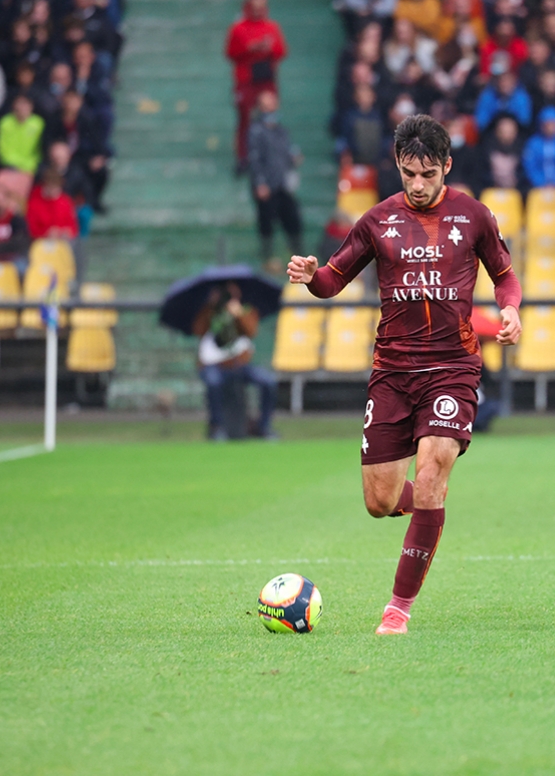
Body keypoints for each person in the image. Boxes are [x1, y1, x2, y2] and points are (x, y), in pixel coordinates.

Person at [287, 114, 522, 635]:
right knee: (380, 501)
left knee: (433, 470)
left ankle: (398, 609)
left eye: (428, 174)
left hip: (453, 366)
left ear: (447, 167)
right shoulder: (376, 220)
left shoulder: (474, 216)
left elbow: (505, 277)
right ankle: (430, 508)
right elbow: (332, 280)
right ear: (397, 165)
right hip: (393, 372)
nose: (417, 184)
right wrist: (310, 276)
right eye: (409, 173)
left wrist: (511, 310)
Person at [192, 282, 277, 441]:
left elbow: (251, 332)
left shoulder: (245, 310)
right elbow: (198, 331)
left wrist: (238, 314)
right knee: (213, 382)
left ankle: (263, 426)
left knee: (267, 381)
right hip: (214, 365)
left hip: (239, 365)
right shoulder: (208, 311)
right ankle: (216, 427)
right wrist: (212, 308)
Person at [225, 0, 287, 173]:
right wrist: (250, 48)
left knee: (269, 116)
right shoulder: (238, 28)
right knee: (245, 118)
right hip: (246, 78)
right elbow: (231, 53)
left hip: (265, 77)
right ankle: (243, 157)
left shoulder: (271, 27)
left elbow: (281, 51)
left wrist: (266, 48)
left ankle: (271, 155)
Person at [247, 90, 303, 270]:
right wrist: (260, 183)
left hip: (283, 185)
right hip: (267, 186)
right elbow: (255, 159)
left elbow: (287, 154)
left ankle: (297, 258)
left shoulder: (281, 131)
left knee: (292, 220)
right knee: (267, 224)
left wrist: (293, 159)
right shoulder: (256, 131)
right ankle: (268, 259)